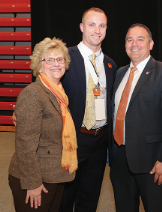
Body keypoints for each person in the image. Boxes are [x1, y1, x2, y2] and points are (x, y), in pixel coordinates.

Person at [109, 23, 162, 212]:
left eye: (140, 39)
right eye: (129, 39)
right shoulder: (120, 73)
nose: (134, 43)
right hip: (119, 160)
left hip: (152, 162)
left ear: (151, 44)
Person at [8, 37, 77, 212]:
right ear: (39, 65)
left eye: (60, 59)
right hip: (37, 180)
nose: (56, 64)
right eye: (50, 59)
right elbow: (25, 144)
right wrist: (32, 183)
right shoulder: (33, 93)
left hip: (55, 175)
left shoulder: (59, 94)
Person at [59, 7, 117, 212]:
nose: (97, 30)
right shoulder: (64, 58)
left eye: (102, 25)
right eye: (92, 24)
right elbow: (45, 89)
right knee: (64, 199)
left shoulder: (110, 65)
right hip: (72, 141)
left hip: (100, 143)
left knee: (89, 199)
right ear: (82, 27)